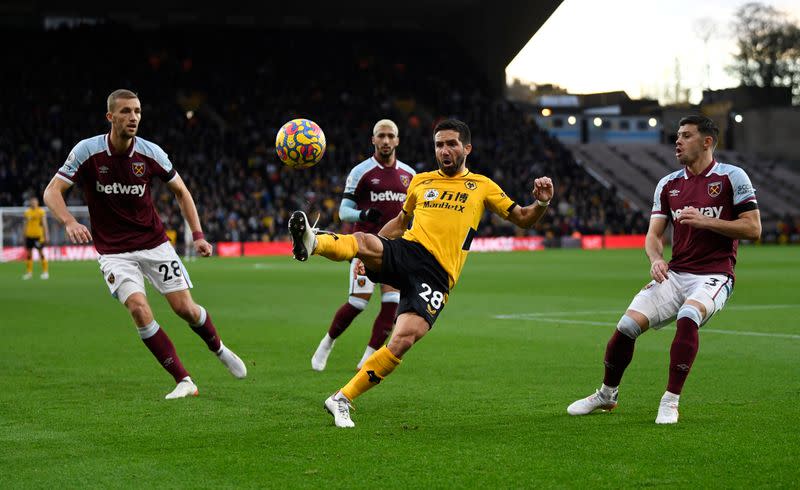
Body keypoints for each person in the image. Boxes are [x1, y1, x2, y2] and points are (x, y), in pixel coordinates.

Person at [289, 118, 554, 427]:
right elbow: (401, 224)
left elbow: (523, 218)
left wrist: (541, 202)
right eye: (439, 144)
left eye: (452, 144)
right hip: (409, 251)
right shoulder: (422, 181)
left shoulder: (482, 186)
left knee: (402, 340)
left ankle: (341, 399)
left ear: (467, 148)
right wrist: (372, 256)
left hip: (438, 275)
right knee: (362, 240)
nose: (444, 150)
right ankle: (313, 241)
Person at [43, 89, 247, 399]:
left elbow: (182, 191)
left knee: (185, 309)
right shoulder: (87, 151)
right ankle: (184, 380)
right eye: (125, 112)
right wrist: (69, 222)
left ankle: (218, 348)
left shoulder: (151, 152)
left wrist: (199, 235)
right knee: (138, 309)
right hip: (114, 252)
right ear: (110, 117)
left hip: (154, 245)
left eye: (137, 111)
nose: (133, 117)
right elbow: (52, 191)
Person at [566, 115, 761, 424]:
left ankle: (670, 401)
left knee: (688, 316)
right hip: (676, 273)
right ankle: (607, 394)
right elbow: (654, 236)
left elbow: (753, 229)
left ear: (707, 141)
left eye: (686, 136)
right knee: (627, 327)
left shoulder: (731, 177)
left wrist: (705, 220)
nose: (678, 142)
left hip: (715, 274)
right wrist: (656, 259)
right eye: (677, 136)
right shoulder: (668, 184)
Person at [311, 119, 416, 372]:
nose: (386, 140)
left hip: (395, 250)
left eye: (391, 135)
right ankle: (327, 343)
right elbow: (344, 211)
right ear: (373, 140)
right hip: (364, 247)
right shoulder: (361, 172)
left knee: (392, 304)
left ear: (398, 140)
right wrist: (363, 215)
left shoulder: (410, 175)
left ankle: (367, 358)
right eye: (381, 136)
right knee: (358, 303)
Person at [22, 197, 50, 280]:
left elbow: (45, 224)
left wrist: (46, 235)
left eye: (35, 202)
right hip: (29, 236)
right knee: (29, 254)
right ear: (30, 203)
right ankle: (29, 273)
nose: (33, 203)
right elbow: (25, 225)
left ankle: (45, 272)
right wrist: (23, 235)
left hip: (38, 236)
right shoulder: (27, 212)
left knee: (41, 253)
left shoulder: (41, 212)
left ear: (37, 203)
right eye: (32, 202)